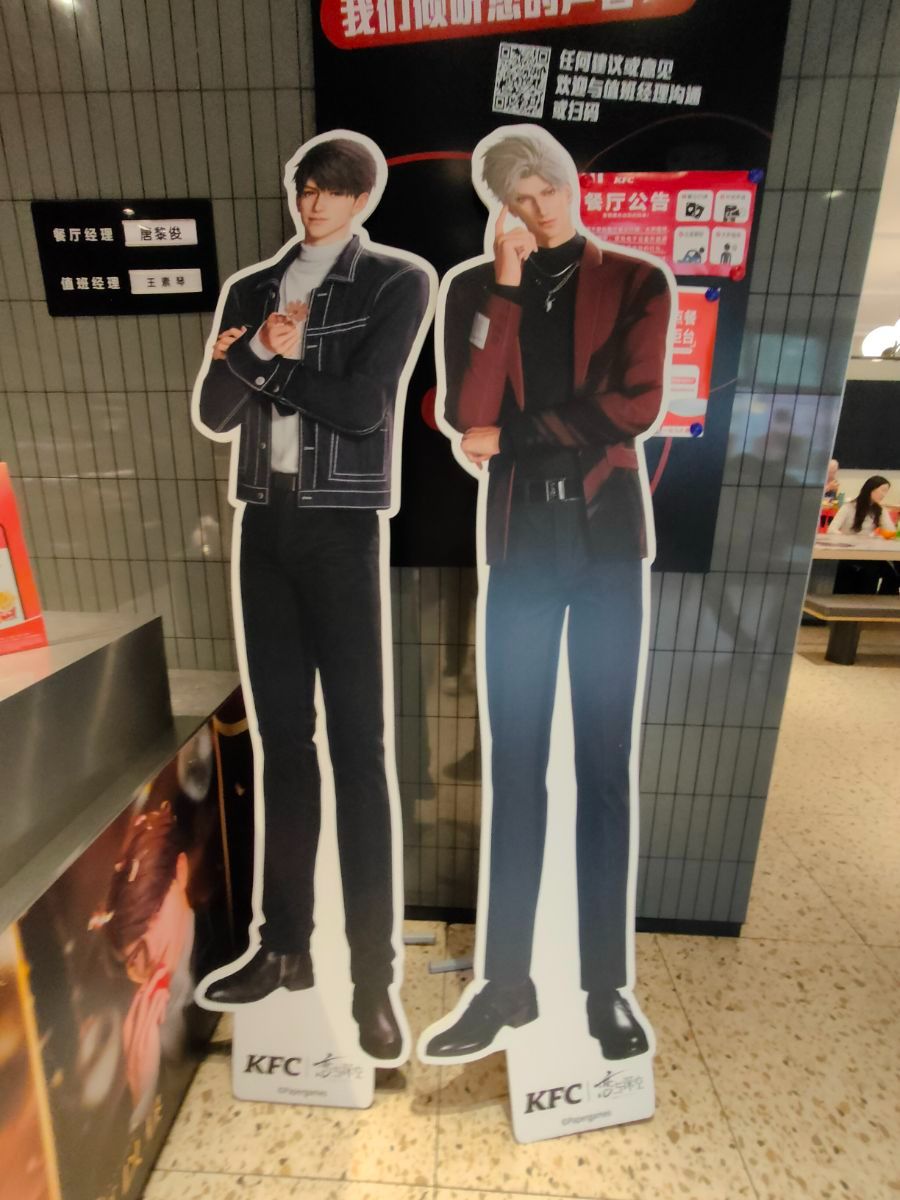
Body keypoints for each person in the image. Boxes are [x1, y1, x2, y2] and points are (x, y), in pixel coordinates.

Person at [422, 129, 674, 1061]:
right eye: (519, 195)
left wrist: (518, 438)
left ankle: (605, 990)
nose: (538, 206)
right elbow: (468, 412)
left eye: (548, 186)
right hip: (521, 548)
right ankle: (506, 985)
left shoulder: (637, 281)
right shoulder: (474, 289)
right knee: (515, 765)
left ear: (572, 183)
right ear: (503, 206)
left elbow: (635, 406)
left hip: (605, 548)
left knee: (603, 768)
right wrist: (506, 285)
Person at [191, 134, 434, 1062]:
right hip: (265, 526)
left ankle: (372, 981)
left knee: (360, 750)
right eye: (306, 188)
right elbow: (215, 413)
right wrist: (259, 348)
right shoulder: (254, 288)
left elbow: (366, 407)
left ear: (363, 197)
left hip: (340, 528)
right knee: (283, 745)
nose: (315, 203)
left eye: (334, 190)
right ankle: (283, 947)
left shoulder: (395, 281)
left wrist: (264, 364)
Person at [827, 475, 895, 536]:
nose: (884, 495)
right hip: (847, 543)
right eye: (883, 490)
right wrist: (845, 538)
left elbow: (891, 531)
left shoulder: (879, 510)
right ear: (871, 489)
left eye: (886, 492)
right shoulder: (848, 507)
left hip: (867, 544)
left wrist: (883, 512)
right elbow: (831, 530)